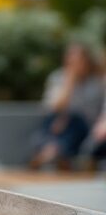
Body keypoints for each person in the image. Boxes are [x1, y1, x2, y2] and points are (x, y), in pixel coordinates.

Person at [28, 42, 105, 170]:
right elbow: (54, 107)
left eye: (78, 60)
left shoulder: (96, 83)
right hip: (57, 122)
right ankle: (55, 153)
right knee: (51, 124)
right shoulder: (57, 77)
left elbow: (91, 114)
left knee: (74, 122)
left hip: (83, 126)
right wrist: (69, 83)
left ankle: (52, 152)